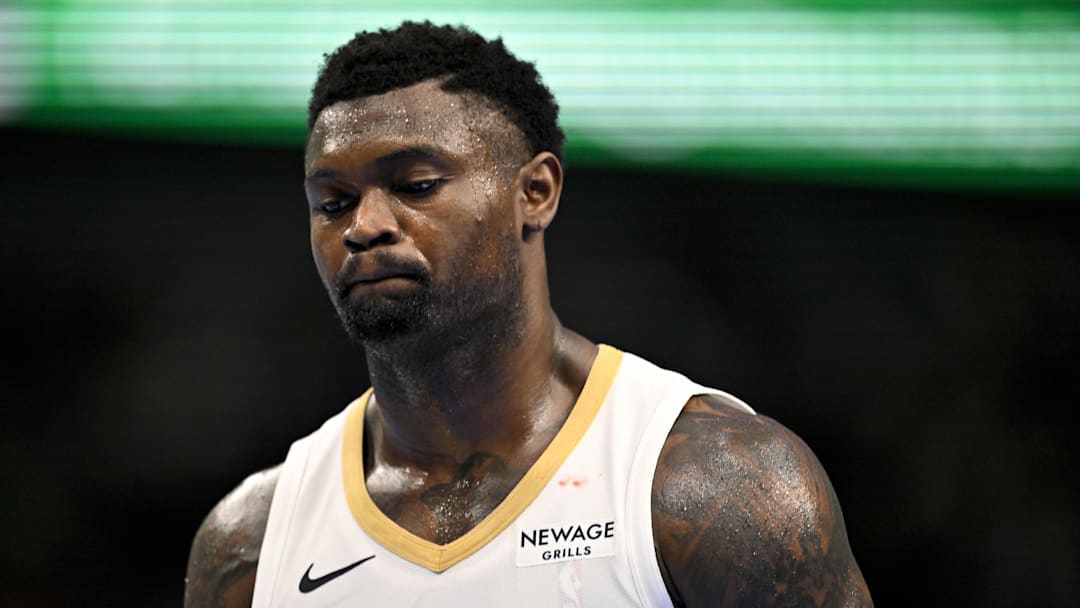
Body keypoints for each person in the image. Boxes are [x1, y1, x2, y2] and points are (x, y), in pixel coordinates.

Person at [184, 21, 872, 607]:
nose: (364, 226)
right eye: (331, 201)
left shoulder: (715, 486)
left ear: (535, 192)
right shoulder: (251, 543)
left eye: (415, 185)